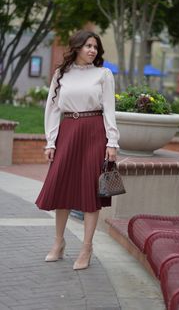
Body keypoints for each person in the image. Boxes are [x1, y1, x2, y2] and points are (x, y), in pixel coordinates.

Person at [35, 29, 119, 270]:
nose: (92, 50)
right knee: (62, 187)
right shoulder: (61, 74)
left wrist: (111, 142)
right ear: (77, 47)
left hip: (94, 133)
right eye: (88, 46)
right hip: (68, 132)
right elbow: (51, 109)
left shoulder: (103, 74)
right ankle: (58, 243)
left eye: (95, 47)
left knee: (91, 192)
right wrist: (50, 141)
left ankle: (86, 248)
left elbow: (109, 110)